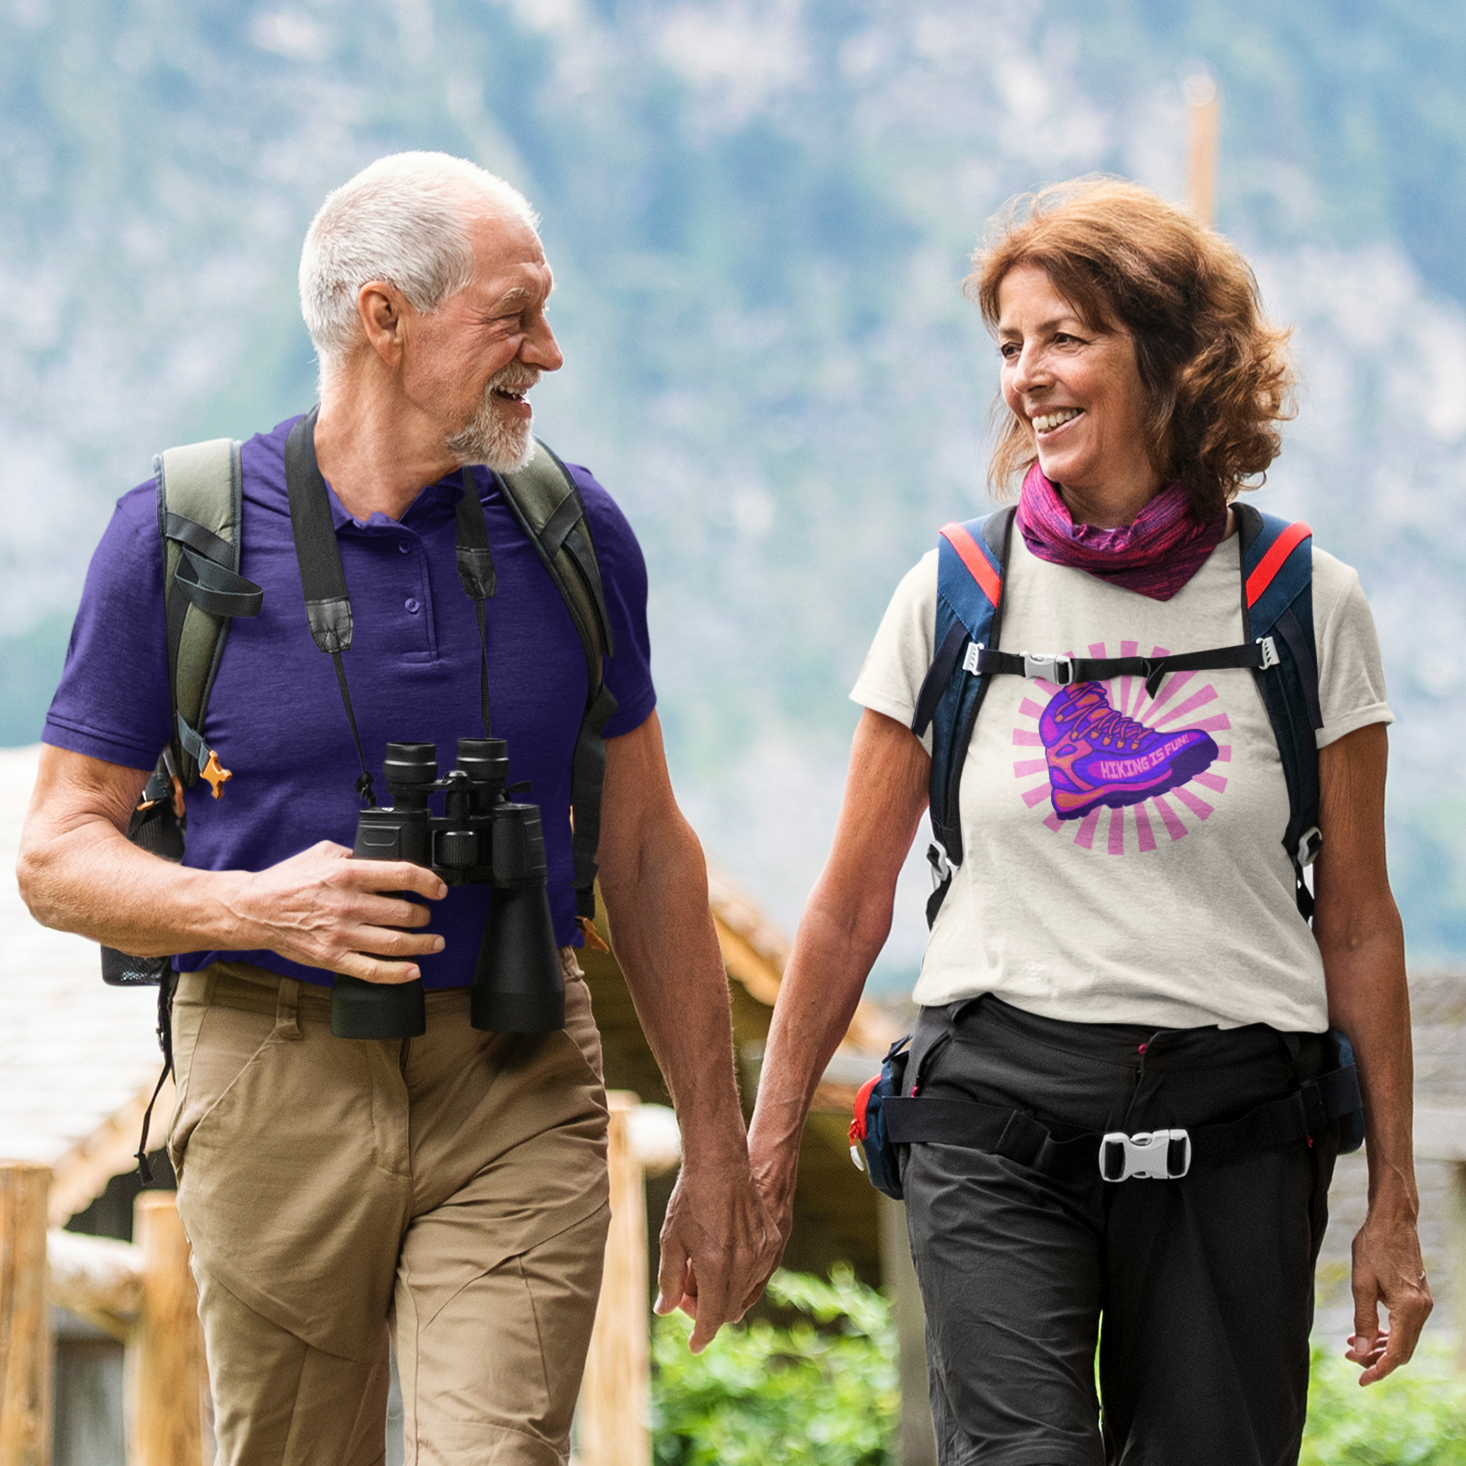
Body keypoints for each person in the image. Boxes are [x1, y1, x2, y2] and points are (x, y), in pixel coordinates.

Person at [19, 151, 775, 1465]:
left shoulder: (575, 531)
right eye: (514, 314)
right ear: (383, 318)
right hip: (268, 1066)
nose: (549, 349)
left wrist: (718, 1150)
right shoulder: (181, 531)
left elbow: (649, 850)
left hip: (518, 1062)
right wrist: (258, 903)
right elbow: (53, 852)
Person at [746, 179, 1431, 1465]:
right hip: (992, 1119)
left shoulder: (1300, 603)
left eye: (1064, 336)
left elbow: (1355, 919)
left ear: (1173, 357)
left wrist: (1391, 1201)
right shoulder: (956, 593)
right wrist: (765, 1150)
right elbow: (847, 902)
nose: (1026, 376)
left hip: (1236, 1127)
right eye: (1008, 346)